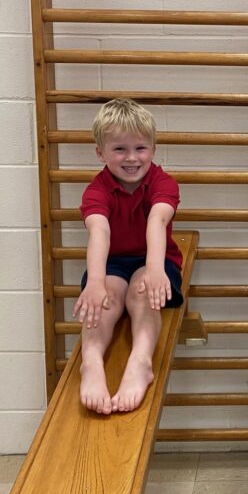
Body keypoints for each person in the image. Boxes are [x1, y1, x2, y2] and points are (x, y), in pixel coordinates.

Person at [73, 98, 183, 414]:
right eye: (119, 149)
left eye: (140, 148)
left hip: (156, 257)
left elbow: (157, 221)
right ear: (100, 152)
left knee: (141, 291)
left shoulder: (163, 182)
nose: (131, 158)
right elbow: (99, 232)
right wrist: (94, 282)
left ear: (153, 149)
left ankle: (141, 361)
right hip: (111, 261)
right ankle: (91, 362)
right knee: (106, 297)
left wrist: (153, 270)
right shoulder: (97, 190)